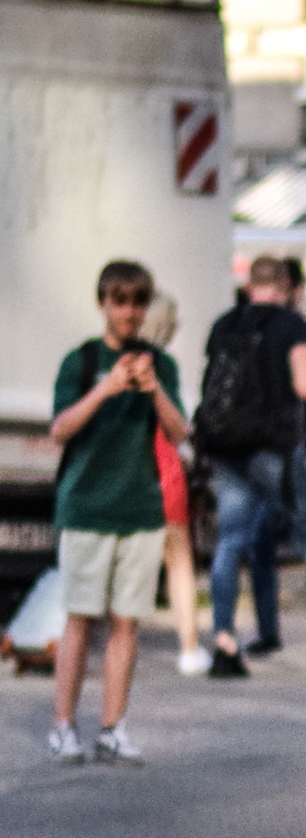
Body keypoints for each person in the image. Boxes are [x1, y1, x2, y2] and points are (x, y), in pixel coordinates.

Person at [198, 255, 306, 677]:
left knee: (229, 542)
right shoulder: (293, 327)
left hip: (228, 449)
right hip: (275, 451)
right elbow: (305, 386)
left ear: (248, 283)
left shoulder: (224, 325)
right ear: (285, 286)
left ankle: (224, 643)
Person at [47, 260, 188, 763]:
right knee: (79, 619)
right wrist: (106, 388)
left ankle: (112, 727)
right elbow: (60, 429)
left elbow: (178, 432)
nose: (129, 312)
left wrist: (153, 391)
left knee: (126, 623)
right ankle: (63, 725)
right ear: (103, 303)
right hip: (86, 506)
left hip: (140, 508)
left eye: (136, 302)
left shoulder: (160, 364)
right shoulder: (81, 361)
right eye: (119, 301)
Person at [244, 257, 306, 658]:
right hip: (274, 457)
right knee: (267, 540)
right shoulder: (265, 334)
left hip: (299, 457)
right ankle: (274, 630)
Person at [137, 292, 207, 676]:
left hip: (127, 464)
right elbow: (176, 424)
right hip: (162, 464)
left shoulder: (112, 356)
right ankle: (189, 648)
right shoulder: (162, 363)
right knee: (178, 560)